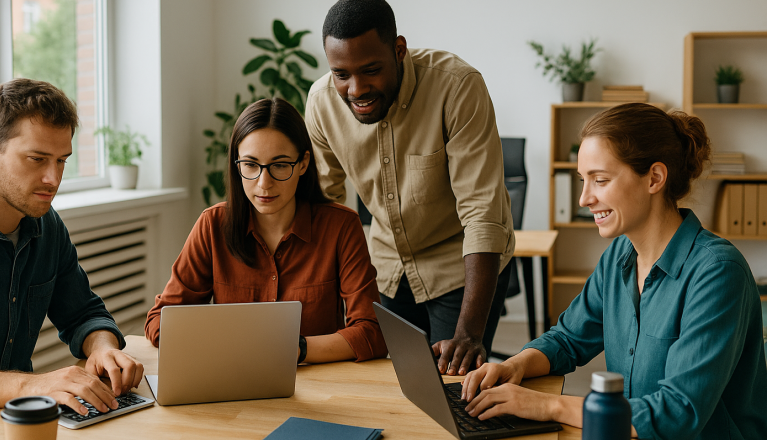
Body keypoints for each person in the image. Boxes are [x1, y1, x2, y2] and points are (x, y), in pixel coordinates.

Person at [460, 103, 767, 439]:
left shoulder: (718, 273)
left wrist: (547, 405)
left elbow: (678, 412)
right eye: (583, 181)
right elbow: (567, 339)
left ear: (654, 178)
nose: (584, 199)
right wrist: (512, 366)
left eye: (600, 180)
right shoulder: (620, 256)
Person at [305, 0, 514, 376]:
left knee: (454, 392)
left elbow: (482, 214)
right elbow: (325, 211)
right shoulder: (321, 104)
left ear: (398, 50)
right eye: (341, 74)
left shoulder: (457, 87)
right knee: (401, 386)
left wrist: (469, 333)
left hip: (460, 270)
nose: (356, 89)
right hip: (388, 269)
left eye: (371, 71)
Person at [0, 78, 144, 421]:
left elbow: (82, 311)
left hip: (20, 421)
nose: (53, 179)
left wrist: (102, 347)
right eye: (37, 159)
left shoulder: (46, 225)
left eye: (61, 161)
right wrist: (30, 386)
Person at [145, 98, 387, 364]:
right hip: (234, 379)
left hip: (320, 386)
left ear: (303, 164)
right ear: (236, 166)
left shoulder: (341, 226)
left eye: (280, 165)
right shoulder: (212, 225)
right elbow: (159, 321)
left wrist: (295, 349)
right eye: (250, 165)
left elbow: (372, 333)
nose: (264, 183)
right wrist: (227, 346)